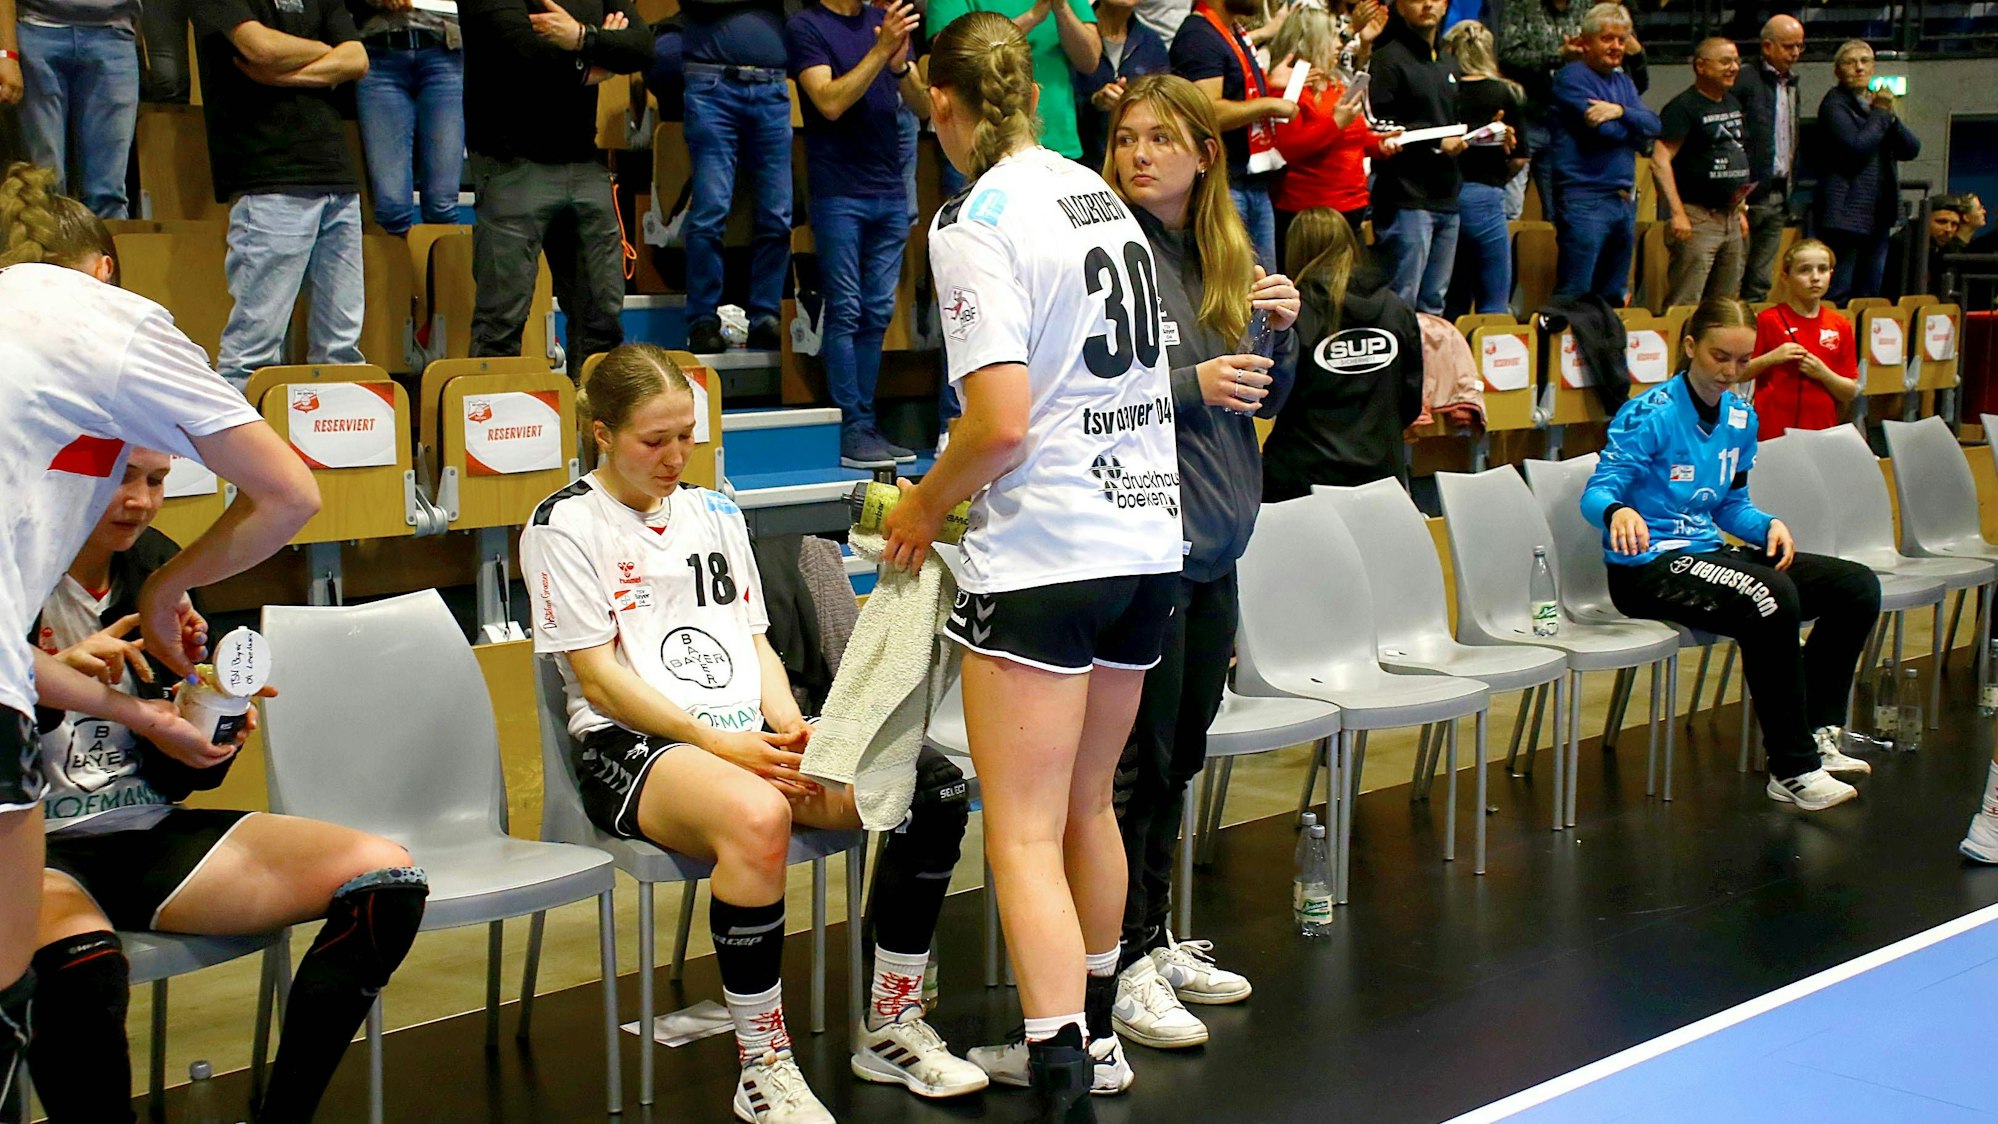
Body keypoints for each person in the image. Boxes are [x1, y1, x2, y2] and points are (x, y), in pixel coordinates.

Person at [522, 344, 984, 1123]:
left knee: (927, 787)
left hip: (746, 734)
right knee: (757, 815)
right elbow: (599, 681)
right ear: (602, 434)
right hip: (629, 745)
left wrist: (794, 723)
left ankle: (891, 1020)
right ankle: (763, 1062)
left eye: (685, 437)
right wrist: (716, 744)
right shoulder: (563, 523)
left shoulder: (716, 510)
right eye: (654, 441)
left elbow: (756, 641)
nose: (675, 458)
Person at [881, 13, 1182, 1120]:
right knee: (1089, 806)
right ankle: (1096, 1040)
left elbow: (999, 423)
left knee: (1019, 829)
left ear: (946, 106)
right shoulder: (1092, 190)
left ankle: (1056, 1072)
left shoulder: (977, 219)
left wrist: (922, 503)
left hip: (1049, 548)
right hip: (1146, 536)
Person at [0, 161, 320, 1113]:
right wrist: (179, 577)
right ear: (101, 268)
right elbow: (290, 492)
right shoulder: (100, 315)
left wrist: (139, 712)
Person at [28, 447, 426, 1124]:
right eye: (121, 479)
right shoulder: (14, 566)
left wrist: (211, 731)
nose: (141, 501)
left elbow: (176, 777)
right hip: (27, 848)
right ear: (61, 466)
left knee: (386, 882)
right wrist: (53, 684)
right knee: (83, 966)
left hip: (141, 835)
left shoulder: (160, 564)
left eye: (155, 480)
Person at [1101, 72, 1296, 1052]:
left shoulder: (1226, 252)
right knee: (1135, 766)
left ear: (1205, 154)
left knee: (1181, 751)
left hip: (1218, 538)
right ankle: (1121, 960)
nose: (1139, 154)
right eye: (1129, 137)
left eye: (1161, 139)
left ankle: (1156, 930)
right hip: (1143, 542)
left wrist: (1281, 331)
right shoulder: (1110, 252)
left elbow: (1260, 401)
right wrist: (1191, 381)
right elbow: (1082, 390)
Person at [1580, 297, 1881, 813]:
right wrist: (1616, 513)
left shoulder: (1741, 416)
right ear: (1690, 346)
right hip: (1647, 569)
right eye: (1721, 357)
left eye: (1743, 360)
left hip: (1708, 553)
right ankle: (1792, 767)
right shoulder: (1649, 413)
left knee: (1855, 587)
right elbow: (1597, 490)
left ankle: (1815, 732)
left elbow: (1732, 504)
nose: (1731, 371)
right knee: (1771, 596)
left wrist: (1766, 525)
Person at [460, 0, 651, 376]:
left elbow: (643, 46)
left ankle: (594, 427)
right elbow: (519, 57)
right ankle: (496, 425)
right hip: (510, 163)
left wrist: (580, 36)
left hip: (584, 161)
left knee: (603, 319)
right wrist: (593, 60)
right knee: (501, 322)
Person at [196, 0, 371, 391]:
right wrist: (326, 51)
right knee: (253, 354)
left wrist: (283, 75)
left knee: (341, 351)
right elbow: (262, 49)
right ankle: (232, 451)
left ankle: (330, 451)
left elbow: (357, 58)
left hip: (336, 178)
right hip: (268, 177)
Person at [788, 0, 931, 468]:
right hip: (838, 191)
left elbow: (924, 106)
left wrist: (901, 63)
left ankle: (866, 423)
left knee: (878, 311)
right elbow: (828, 101)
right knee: (846, 309)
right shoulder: (807, 25)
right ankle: (850, 425)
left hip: (890, 188)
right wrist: (880, 51)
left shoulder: (879, 19)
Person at [1262, 206, 1423, 497]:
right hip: (1381, 477)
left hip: (1303, 482)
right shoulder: (1396, 308)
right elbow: (1410, 401)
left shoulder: (1290, 316)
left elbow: (1270, 400)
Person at [679, 0, 796, 354]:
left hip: (773, 87)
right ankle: (702, 318)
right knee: (710, 211)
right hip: (712, 83)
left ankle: (765, 316)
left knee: (778, 215)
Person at [1170, 0, 1299, 268]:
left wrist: (1270, 86)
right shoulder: (1198, 36)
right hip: (1224, 183)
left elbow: (1238, 90)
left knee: (1264, 287)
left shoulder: (1232, 33)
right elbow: (1208, 113)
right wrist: (1268, 104)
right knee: (1234, 280)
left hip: (1250, 180)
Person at [1545, 2, 1656, 303]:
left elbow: (1653, 124)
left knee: (1613, 294)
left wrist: (1618, 110)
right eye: (1607, 38)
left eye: (1622, 39)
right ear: (1585, 42)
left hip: (1623, 200)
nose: (1616, 46)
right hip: (1585, 198)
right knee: (1576, 292)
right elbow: (1606, 132)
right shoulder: (1572, 77)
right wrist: (1630, 123)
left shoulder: (1624, 82)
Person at [1366, 0, 1468, 315]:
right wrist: (1437, 140)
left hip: (1447, 196)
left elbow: (1457, 123)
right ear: (1399, 6)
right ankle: (1399, 365)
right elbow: (1379, 128)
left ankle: (1428, 365)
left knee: (1434, 303)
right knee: (1401, 301)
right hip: (1405, 197)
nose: (1427, 4)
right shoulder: (1386, 60)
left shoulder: (1450, 63)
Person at [1270, 7, 1398, 248]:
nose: (1339, 44)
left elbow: (1350, 136)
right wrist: (1335, 123)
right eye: (1332, 37)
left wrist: (1376, 143)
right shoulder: (1288, 89)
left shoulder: (1334, 83)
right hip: (1312, 213)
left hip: (1353, 204)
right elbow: (1288, 150)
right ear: (1311, 41)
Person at [925, 0, 1101, 168]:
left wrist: (1062, 8)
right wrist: (1033, 16)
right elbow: (951, 57)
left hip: (1058, 137)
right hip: (974, 143)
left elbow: (1090, 61)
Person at [7, 0, 140, 217]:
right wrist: (6, 54)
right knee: (45, 185)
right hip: (36, 29)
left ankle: (105, 250)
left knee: (108, 193)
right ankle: (52, 250)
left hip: (114, 33)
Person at [1815, 39, 1919, 303]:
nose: (1859, 68)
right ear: (1837, 71)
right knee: (1841, 291)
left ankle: (1864, 343)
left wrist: (1890, 117)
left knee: (1870, 293)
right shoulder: (1834, 105)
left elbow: (1911, 149)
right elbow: (1857, 147)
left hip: (1878, 213)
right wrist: (1882, 113)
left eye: (1865, 61)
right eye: (1851, 62)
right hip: (1846, 214)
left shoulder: (1873, 107)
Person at [1652, 38, 1751, 309]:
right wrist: (1677, 212)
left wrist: (1740, 210)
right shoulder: (1682, 107)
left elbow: (1736, 153)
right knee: (1687, 300)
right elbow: (1660, 161)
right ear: (1701, 66)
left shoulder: (1732, 102)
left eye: (1736, 61)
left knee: (1725, 305)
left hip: (1730, 216)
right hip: (1697, 216)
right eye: (1725, 61)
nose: (1733, 67)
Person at [353, 0, 465, 235]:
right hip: (378, 54)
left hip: (444, 50)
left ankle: (441, 270)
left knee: (442, 203)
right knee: (391, 206)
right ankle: (396, 270)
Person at [1442, 18, 1525, 316]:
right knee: (1494, 299)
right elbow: (1520, 157)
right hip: (1486, 198)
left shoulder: (1441, 90)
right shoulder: (1506, 93)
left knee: (1451, 298)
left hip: (1445, 196)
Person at [1745, 239, 1857, 441]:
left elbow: (1849, 391)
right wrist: (1772, 357)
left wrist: (1823, 373)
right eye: (1804, 270)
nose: (1815, 278)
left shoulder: (1840, 324)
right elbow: (1739, 372)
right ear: (1786, 277)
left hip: (1822, 431)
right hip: (1773, 431)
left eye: (1822, 269)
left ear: (1831, 274)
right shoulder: (1768, 320)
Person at [1731, 13, 1803, 302]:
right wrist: (1737, 196)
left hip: (1780, 192)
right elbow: (1733, 138)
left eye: (1799, 46)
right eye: (1788, 46)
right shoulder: (1745, 80)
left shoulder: (1793, 83)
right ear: (1767, 47)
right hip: (1746, 194)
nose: (1795, 53)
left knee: (1761, 280)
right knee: (1733, 275)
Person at [1074, 0, 1171, 173]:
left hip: (1134, 168)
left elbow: (1164, 107)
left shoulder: (1151, 42)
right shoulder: (1072, 35)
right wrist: (1094, 103)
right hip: (1080, 165)